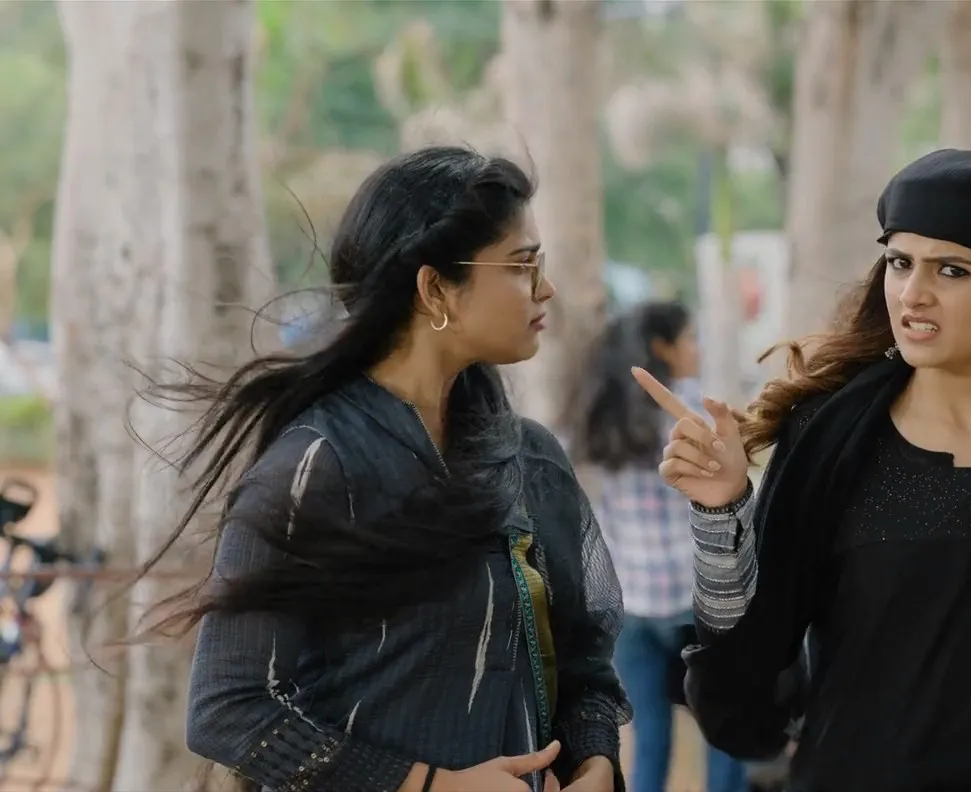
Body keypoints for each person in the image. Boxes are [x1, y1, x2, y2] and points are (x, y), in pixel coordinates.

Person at [635, 148, 971, 792]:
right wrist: (722, 510)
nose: (913, 293)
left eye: (951, 270)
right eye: (900, 263)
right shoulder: (828, 438)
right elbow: (746, 668)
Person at [155, 146, 631, 792]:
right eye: (522, 266)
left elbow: (583, 667)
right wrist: (433, 785)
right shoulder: (318, 464)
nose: (544, 288)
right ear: (436, 289)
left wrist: (595, 761)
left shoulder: (529, 458)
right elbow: (228, 709)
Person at [565, 301, 752, 792]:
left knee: (648, 739)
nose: (698, 349)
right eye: (690, 338)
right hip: (698, 601)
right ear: (662, 348)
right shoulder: (691, 409)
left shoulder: (596, 416)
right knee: (722, 730)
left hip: (631, 603)